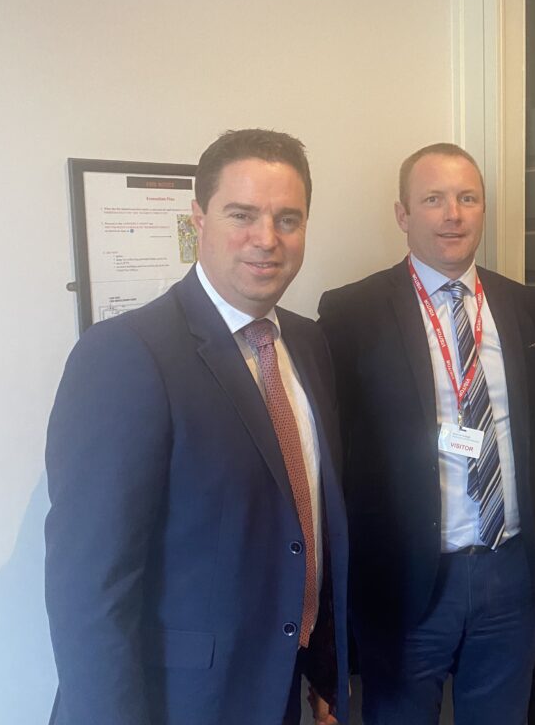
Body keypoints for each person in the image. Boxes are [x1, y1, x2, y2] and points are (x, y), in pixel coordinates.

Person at [45, 129, 348, 725]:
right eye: (243, 214)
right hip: (181, 705)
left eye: (288, 218)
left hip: (286, 684)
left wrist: (324, 668)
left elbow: (307, 520)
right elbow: (89, 590)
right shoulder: (126, 354)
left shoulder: (309, 344)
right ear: (198, 219)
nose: (266, 239)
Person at [318, 143, 535, 724]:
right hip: (408, 580)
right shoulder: (351, 312)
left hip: (508, 571)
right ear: (403, 215)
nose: (453, 214)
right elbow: (338, 457)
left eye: (468, 198)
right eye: (434, 200)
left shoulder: (522, 305)